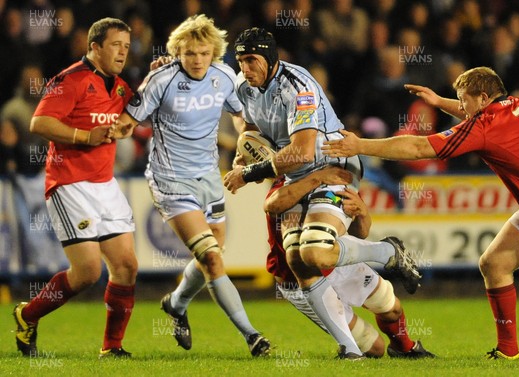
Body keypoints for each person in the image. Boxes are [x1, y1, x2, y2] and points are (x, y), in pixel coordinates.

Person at [323, 66, 519, 359]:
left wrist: (359, 145)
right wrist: (440, 101)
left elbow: (420, 148)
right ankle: (508, 352)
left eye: (463, 100)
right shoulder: (514, 105)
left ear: (482, 98)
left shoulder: (486, 126)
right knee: (494, 264)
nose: (462, 107)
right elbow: (472, 115)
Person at [223, 27, 421, 359]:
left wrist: (248, 172)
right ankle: (349, 351)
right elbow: (251, 130)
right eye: (241, 60)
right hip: (294, 175)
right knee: (298, 258)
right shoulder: (245, 88)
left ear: (271, 59)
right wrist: (248, 151)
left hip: (332, 167)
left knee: (314, 253)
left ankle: (387, 253)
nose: (246, 68)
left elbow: (300, 151)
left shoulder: (299, 88)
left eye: (252, 60)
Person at [109, 15, 270, 357]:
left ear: (214, 52)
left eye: (203, 53)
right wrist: (104, 132)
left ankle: (177, 303)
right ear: (177, 52)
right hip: (170, 180)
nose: (197, 60)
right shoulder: (161, 78)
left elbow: (242, 115)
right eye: (189, 53)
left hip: (209, 177)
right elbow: (127, 121)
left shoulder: (226, 77)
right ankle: (252, 335)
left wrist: (246, 135)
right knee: (212, 258)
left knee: (212, 254)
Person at [14, 18, 137, 359]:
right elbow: (39, 122)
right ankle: (27, 315)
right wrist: (84, 136)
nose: (122, 52)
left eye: (126, 47)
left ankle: (111, 348)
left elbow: (132, 114)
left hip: (104, 184)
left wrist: (124, 127)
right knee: (87, 272)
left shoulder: (122, 88)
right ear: (95, 46)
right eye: (115, 45)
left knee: (126, 266)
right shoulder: (70, 80)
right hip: (69, 183)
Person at [264, 166, 434, 359]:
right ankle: (349, 349)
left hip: (338, 264)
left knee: (391, 308)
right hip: (299, 280)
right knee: (374, 348)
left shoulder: (336, 182)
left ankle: (405, 348)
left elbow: (360, 232)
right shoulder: (284, 189)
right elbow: (273, 205)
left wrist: (362, 212)